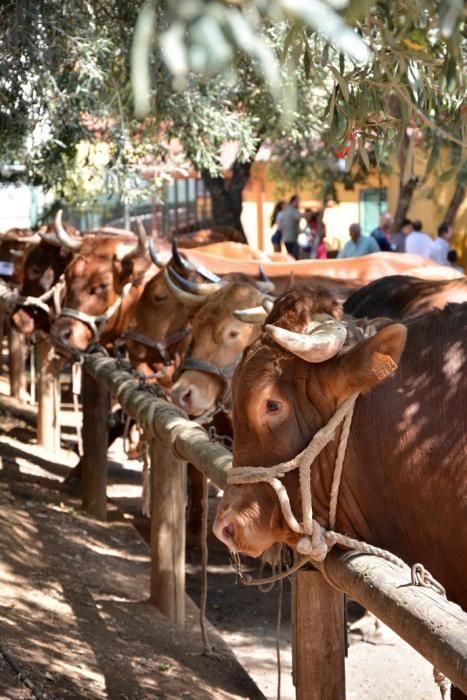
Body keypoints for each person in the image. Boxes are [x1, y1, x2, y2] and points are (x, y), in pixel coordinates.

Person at [281, 194, 302, 259]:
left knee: (293, 256)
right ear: (293, 201)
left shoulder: (288, 209)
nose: (298, 203)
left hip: (289, 238)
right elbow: (300, 216)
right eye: (297, 201)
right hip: (290, 239)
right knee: (293, 257)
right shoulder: (292, 210)